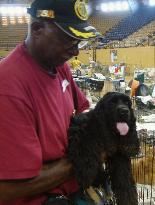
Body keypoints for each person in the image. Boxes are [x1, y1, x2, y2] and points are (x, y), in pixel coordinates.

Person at [0, 0, 98, 204]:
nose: (76, 51)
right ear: (37, 29)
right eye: (68, 40)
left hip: (70, 188)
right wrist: (86, 156)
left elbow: (81, 112)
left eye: (79, 42)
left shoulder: (59, 64)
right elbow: (7, 189)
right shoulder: (8, 87)